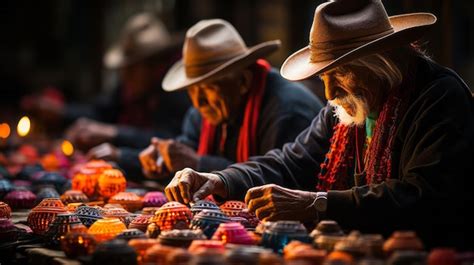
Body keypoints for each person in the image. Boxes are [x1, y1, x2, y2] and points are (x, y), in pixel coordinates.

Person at [164, 0, 474, 248]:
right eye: (324, 77)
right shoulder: (348, 107)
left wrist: (319, 204)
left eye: (339, 75)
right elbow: (291, 161)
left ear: (379, 64)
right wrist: (219, 178)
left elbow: (422, 197)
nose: (329, 93)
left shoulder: (438, 97)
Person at [139, 19, 322, 181]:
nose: (198, 102)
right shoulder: (206, 111)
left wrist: (199, 163)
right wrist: (162, 159)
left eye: (208, 88)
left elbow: (276, 180)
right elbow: (188, 147)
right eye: (191, 89)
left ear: (243, 81)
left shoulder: (287, 111)